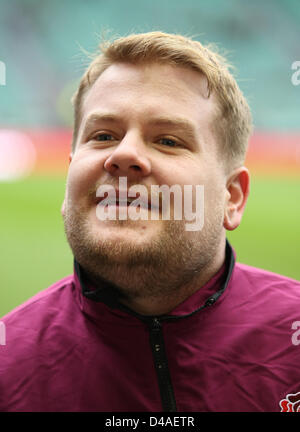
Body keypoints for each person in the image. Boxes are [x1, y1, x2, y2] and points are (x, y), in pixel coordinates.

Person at [0, 31, 299, 413]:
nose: (124, 156)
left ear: (232, 197)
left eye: (168, 141)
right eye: (104, 135)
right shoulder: (7, 367)